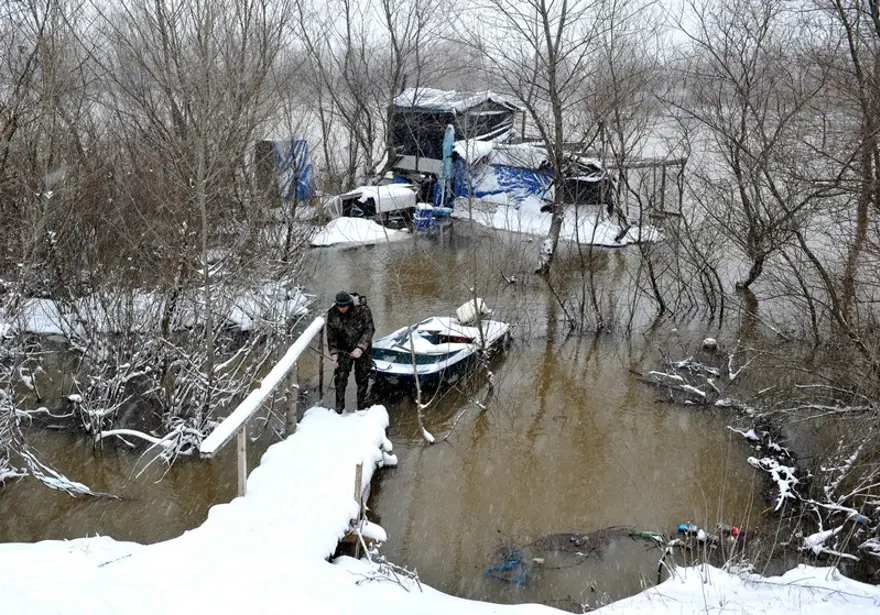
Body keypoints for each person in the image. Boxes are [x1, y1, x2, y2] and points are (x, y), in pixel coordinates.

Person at [326, 291, 374, 413]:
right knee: (340, 378)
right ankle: (339, 408)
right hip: (343, 349)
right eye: (339, 306)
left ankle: (361, 406)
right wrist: (334, 354)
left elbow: (369, 329)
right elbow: (331, 335)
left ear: (349, 304)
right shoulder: (332, 313)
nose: (341, 309)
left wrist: (360, 348)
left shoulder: (363, 309)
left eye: (344, 306)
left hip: (363, 349)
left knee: (362, 376)